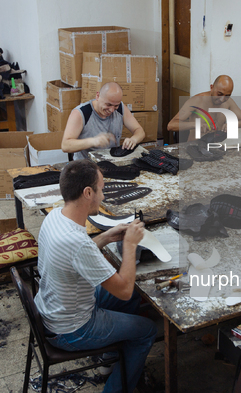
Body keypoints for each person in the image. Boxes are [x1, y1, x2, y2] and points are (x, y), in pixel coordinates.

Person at [34, 159, 157, 393]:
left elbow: (75, 255)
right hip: (72, 330)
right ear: (88, 192)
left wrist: (107, 237)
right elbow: (123, 288)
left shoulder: (55, 218)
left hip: (54, 311)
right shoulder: (77, 242)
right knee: (147, 329)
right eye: (101, 189)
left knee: (128, 301)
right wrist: (130, 245)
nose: (102, 196)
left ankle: (110, 360)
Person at [61, 82, 147, 161]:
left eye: (116, 105)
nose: (112, 110)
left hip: (111, 162)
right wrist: (93, 141)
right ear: (97, 96)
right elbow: (65, 145)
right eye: (108, 105)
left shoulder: (121, 108)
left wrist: (133, 139)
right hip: (87, 167)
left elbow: (139, 130)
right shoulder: (81, 113)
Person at [167, 75, 241, 141]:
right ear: (212, 87)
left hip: (216, 146)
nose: (222, 99)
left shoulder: (228, 102)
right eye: (219, 94)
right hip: (194, 147)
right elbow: (171, 125)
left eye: (227, 96)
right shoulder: (196, 101)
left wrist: (233, 124)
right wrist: (195, 125)